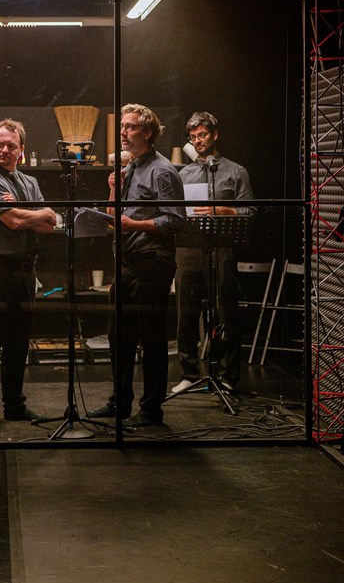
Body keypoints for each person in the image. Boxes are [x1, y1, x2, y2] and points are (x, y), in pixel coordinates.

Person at [87, 103, 186, 427]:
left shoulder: (162, 170)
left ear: (148, 132)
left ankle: (151, 410)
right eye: (122, 127)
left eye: (130, 127)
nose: (123, 133)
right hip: (127, 262)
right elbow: (115, 217)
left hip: (151, 261)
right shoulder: (130, 168)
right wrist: (113, 189)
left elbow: (175, 220)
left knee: (151, 339)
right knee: (119, 336)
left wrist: (134, 225)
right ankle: (120, 403)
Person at [0, 119, 58, 435]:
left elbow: (48, 225)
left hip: (24, 270)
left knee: (19, 343)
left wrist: (22, 211)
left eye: (11, 146)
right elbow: (16, 222)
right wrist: (31, 213)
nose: (4, 150)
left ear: (22, 150)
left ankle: (15, 406)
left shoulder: (29, 182)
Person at [171, 111, 255, 395]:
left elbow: (250, 212)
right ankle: (189, 374)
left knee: (225, 312)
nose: (198, 141)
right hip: (189, 248)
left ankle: (228, 376)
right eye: (193, 137)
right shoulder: (183, 174)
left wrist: (225, 210)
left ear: (215, 135)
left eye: (202, 135)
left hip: (221, 248)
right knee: (185, 312)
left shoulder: (236, 171)